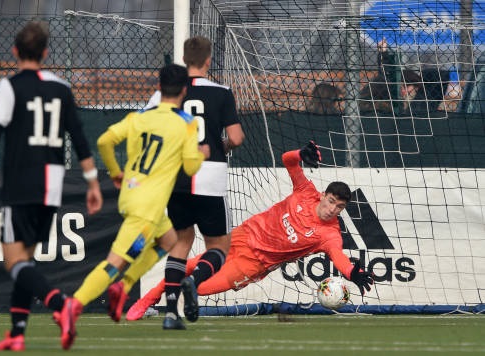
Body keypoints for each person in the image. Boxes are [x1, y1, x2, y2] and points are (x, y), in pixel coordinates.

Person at [0, 22, 103, 351]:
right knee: (26, 261)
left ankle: (60, 305)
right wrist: (92, 183)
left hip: (22, 180)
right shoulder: (62, 88)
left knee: (14, 263)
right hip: (51, 185)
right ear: (45, 53)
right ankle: (18, 332)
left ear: (14, 52)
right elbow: (80, 140)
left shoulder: (10, 86)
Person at [126, 141, 375, 322]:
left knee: (200, 287)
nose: (333, 209)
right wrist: (300, 153)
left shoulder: (330, 234)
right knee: (191, 265)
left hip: (254, 263)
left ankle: (172, 293)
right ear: (323, 195)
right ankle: (146, 301)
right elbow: (287, 160)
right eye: (331, 201)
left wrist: (353, 273)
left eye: (340, 207)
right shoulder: (306, 191)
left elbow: (339, 257)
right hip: (243, 235)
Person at [62, 63, 208, 348]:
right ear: (184, 91)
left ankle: (124, 285)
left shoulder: (140, 116)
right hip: (148, 209)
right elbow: (190, 168)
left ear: (159, 87)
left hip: (131, 196)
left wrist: (116, 171)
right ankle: (73, 306)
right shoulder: (186, 123)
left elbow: (105, 140)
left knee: (168, 240)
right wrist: (202, 153)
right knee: (115, 262)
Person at [130, 36, 244, 330]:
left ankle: (170, 313)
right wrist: (221, 146)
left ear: (183, 57)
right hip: (209, 174)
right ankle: (193, 280)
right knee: (218, 246)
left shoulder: (164, 94)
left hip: (176, 176)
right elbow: (235, 137)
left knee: (180, 242)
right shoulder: (221, 92)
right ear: (208, 60)